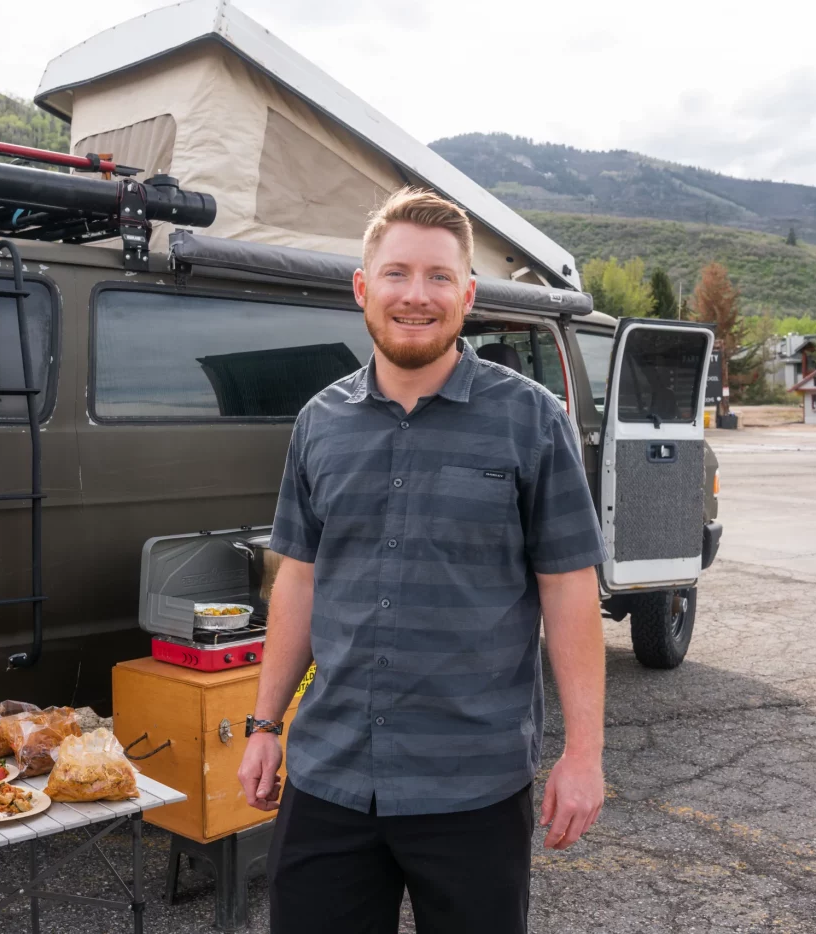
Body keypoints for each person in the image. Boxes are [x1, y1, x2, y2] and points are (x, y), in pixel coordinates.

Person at [237, 187, 608, 934]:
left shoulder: (532, 420)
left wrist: (584, 754)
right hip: (331, 774)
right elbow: (300, 579)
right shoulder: (319, 423)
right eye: (398, 273)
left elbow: (569, 590)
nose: (417, 295)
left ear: (468, 294)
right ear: (363, 288)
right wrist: (264, 722)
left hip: (472, 785)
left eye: (439, 277)